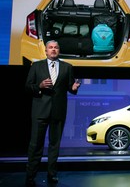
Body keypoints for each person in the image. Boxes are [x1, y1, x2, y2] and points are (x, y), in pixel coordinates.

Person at [25, 40, 81, 187]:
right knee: (36, 144)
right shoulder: (36, 66)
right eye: (50, 47)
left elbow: (70, 87)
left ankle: (52, 174)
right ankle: (30, 175)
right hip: (40, 111)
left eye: (56, 47)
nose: (53, 50)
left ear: (59, 50)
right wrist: (39, 86)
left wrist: (74, 88)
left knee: (54, 145)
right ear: (45, 51)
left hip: (58, 111)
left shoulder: (67, 67)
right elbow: (28, 87)